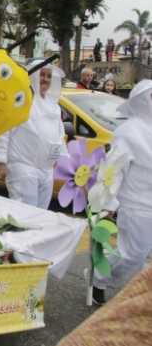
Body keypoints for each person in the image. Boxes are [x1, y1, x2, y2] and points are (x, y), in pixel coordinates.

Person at [92, 79, 152, 305]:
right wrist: (106, 204)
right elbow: (113, 170)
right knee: (132, 256)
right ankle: (99, 277)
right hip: (138, 206)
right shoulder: (129, 131)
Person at [0, 64, 67, 209]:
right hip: (23, 167)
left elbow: (59, 135)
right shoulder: (21, 100)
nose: (45, 79)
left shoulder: (54, 106)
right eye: (42, 75)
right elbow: (5, 130)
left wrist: (64, 159)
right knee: (23, 216)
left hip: (47, 171)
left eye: (48, 76)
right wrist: (1, 160)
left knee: (40, 217)